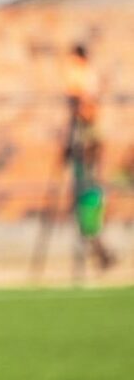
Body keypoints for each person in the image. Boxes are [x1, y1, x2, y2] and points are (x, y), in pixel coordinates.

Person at [62, 43, 115, 270]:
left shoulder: (91, 129)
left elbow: (96, 147)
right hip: (87, 182)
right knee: (84, 215)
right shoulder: (85, 131)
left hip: (91, 189)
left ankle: (101, 253)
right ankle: (100, 253)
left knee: (89, 214)